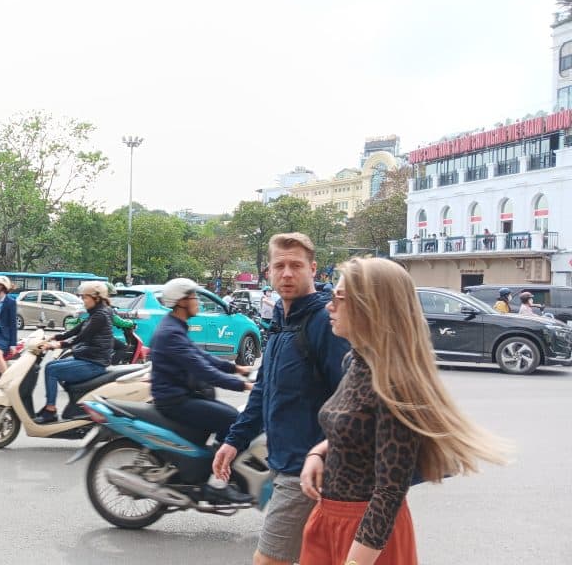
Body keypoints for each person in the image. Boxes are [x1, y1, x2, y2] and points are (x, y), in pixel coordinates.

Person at [298, 258, 509, 565]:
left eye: (337, 298)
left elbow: (389, 492)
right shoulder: (357, 362)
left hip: (366, 536)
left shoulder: (396, 383)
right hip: (330, 518)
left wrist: (355, 562)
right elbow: (357, 430)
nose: (329, 306)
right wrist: (318, 454)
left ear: (371, 306)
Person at [213, 233, 352, 565]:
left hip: (306, 470)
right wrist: (234, 440)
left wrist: (323, 454)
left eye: (296, 265)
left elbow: (350, 398)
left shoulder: (323, 323)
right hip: (283, 462)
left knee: (268, 560)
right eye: (280, 266)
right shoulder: (279, 320)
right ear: (268, 272)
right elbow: (264, 388)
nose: (287, 273)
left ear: (313, 269)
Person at [151, 278, 254, 505]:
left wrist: (236, 368)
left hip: (183, 395)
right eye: (194, 297)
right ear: (181, 302)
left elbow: (202, 357)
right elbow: (203, 370)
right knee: (233, 420)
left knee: (226, 417)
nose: (198, 301)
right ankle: (216, 485)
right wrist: (243, 385)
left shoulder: (175, 327)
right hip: (175, 401)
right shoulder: (171, 333)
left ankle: (210, 471)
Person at [33, 281, 114, 424]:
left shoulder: (100, 315)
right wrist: (53, 337)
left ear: (97, 298)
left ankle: (50, 410)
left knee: (51, 369)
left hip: (94, 362)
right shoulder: (96, 313)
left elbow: (81, 337)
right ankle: (70, 404)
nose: (83, 301)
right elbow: (76, 330)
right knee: (55, 366)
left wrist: (57, 345)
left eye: (85, 298)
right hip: (90, 358)